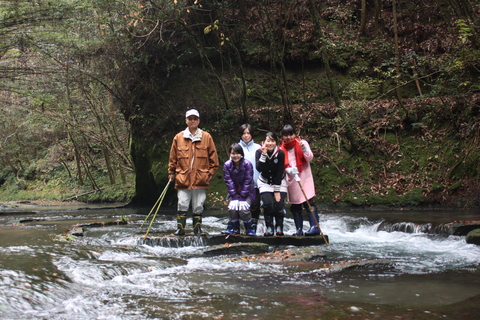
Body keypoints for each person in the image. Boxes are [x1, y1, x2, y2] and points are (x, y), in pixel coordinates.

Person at [168, 109, 219, 235]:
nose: (192, 121)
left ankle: (197, 229)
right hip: (183, 177)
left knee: (198, 204)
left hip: (200, 178)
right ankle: (180, 229)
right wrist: (171, 172)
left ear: (198, 121)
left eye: (195, 119)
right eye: (190, 119)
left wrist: (210, 174)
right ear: (186, 121)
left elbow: (214, 159)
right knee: (182, 203)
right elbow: (172, 157)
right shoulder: (178, 137)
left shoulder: (206, 137)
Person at [280, 124, 319, 236]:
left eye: (290, 134)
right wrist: (288, 170)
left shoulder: (302, 143)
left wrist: (304, 148)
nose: (288, 137)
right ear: (282, 136)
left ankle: (314, 226)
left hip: (305, 177)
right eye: (285, 135)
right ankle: (299, 230)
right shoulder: (281, 149)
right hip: (292, 179)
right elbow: (282, 165)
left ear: (294, 134)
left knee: (309, 201)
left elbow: (309, 158)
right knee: (296, 205)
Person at [255, 131, 287, 236]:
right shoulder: (259, 152)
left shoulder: (280, 153)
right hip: (264, 182)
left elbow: (279, 172)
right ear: (263, 142)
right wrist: (263, 154)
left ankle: (279, 226)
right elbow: (259, 168)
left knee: (278, 204)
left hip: (279, 182)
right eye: (268, 141)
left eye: (272, 141)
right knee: (268, 204)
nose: (270, 143)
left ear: (276, 142)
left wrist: (277, 191)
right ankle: (269, 226)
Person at [222, 143, 256, 236]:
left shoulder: (247, 164)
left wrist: (242, 198)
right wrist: (234, 197)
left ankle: (249, 228)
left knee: (243, 209)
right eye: (233, 153)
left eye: (237, 153)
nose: (235, 156)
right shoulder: (227, 165)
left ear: (241, 154)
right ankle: (234, 228)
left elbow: (248, 181)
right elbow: (228, 181)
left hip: (248, 193)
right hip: (234, 193)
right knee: (232, 207)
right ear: (230, 154)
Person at [238, 124, 262, 234]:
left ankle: (254, 228)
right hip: (241, 185)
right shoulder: (237, 147)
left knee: (255, 206)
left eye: (248, 133)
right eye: (244, 133)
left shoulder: (258, 147)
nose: (246, 136)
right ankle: (244, 228)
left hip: (256, 183)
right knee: (243, 207)